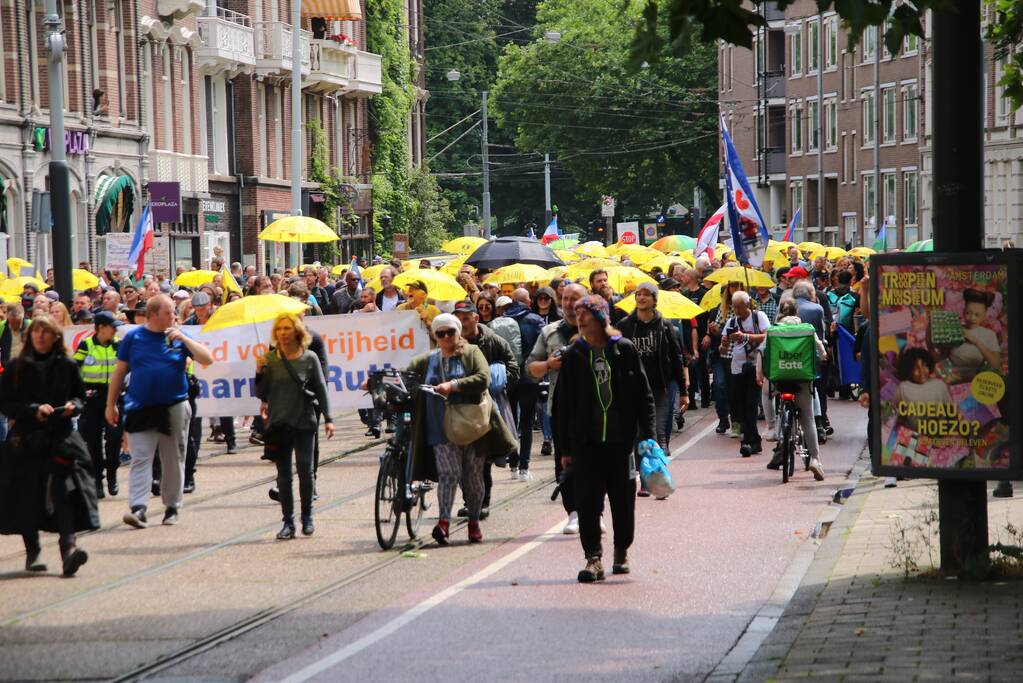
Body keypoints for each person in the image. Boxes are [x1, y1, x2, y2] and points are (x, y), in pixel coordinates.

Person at [554, 295, 655, 582]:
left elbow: (644, 395)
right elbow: (562, 406)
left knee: (623, 501)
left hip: (621, 443)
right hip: (585, 444)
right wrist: (565, 448)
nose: (580, 319)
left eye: (585, 314)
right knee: (587, 502)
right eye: (577, 314)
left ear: (601, 318)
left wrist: (648, 437)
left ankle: (621, 550)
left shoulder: (624, 349)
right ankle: (593, 558)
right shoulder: (573, 354)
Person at [404, 314, 516, 545]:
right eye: (440, 333)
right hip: (440, 428)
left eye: (450, 332)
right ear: (435, 336)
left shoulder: (472, 352)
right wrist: (374, 382)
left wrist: (454, 385)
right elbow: (405, 375)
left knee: (473, 477)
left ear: (458, 332)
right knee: (448, 474)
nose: (446, 337)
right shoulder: (429, 359)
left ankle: (473, 521)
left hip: (472, 427)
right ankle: (443, 523)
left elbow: (483, 378)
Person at [106, 295, 214, 529]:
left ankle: (172, 506)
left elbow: (207, 358)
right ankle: (138, 507)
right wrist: (110, 404)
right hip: (140, 407)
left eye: (174, 312)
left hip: (173, 406)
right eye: (169, 312)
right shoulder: (133, 337)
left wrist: (184, 339)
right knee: (140, 457)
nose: (173, 316)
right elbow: (120, 371)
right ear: (153, 315)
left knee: (172, 457)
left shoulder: (178, 337)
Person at [0, 315, 97, 576]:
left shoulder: (67, 365)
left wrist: (73, 406)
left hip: (60, 438)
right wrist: (32, 409)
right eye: (36, 331)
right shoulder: (16, 367)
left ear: (55, 336)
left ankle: (69, 550)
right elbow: (5, 402)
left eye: (46, 332)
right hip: (27, 440)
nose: (40, 336)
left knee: (63, 492)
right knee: (27, 495)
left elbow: (80, 396)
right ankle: (32, 550)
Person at [255, 313, 334, 540]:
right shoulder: (269, 359)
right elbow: (260, 392)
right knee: (283, 476)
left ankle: (307, 516)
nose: (283, 333)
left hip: (304, 420)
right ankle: (288, 522)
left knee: (305, 471)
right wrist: (259, 372)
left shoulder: (309, 358)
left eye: (287, 328)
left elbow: (321, 388)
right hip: (279, 422)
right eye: (279, 329)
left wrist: (328, 418)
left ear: (297, 331)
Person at [528, 282, 587, 534]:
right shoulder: (549, 332)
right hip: (559, 409)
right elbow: (531, 369)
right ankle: (573, 513)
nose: (569, 303)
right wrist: (549, 364)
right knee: (564, 463)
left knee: (594, 462)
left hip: (594, 409)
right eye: (565, 298)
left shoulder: (598, 330)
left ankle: (594, 511)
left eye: (575, 298)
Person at [453, 300, 518, 520]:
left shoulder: (493, 341)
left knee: (482, 460)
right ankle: (470, 501)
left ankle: (482, 503)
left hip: (486, 408)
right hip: (458, 408)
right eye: (458, 319)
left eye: (466, 318)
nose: (462, 323)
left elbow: (513, 366)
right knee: (461, 460)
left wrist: (498, 380)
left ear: (476, 318)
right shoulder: (449, 340)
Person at [617, 282, 688, 462]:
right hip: (634, 388)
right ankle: (644, 469)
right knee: (639, 434)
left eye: (646, 294)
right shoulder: (625, 325)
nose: (641, 297)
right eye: (638, 294)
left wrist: (683, 391)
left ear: (654, 300)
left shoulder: (665, 325)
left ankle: (656, 467)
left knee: (657, 430)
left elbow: (676, 358)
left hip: (659, 387)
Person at [765, 299, 826, 480]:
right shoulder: (807, 329)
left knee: (772, 399)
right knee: (808, 419)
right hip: (802, 378)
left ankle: (774, 428)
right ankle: (815, 459)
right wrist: (823, 356)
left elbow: (763, 351)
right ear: (797, 313)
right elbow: (821, 349)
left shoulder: (772, 330)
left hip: (780, 378)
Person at [74, 311, 124, 499]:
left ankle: (112, 473)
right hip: (92, 399)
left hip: (114, 397)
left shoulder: (118, 345)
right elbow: (74, 369)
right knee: (93, 442)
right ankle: (96, 480)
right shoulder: (86, 345)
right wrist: (80, 391)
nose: (115, 330)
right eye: (112, 327)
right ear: (101, 328)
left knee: (114, 439)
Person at [501, 288, 546, 481]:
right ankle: (524, 468)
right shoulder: (535, 320)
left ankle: (513, 463)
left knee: (510, 420)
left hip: (508, 376)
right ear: (528, 302)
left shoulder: (501, 320)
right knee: (527, 421)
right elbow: (541, 347)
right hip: (529, 377)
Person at [721, 290, 770, 458]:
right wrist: (724, 343)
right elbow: (723, 349)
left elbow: (768, 335)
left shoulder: (759, 316)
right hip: (738, 367)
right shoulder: (731, 321)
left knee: (751, 403)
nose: (737, 311)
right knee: (739, 404)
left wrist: (745, 337)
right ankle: (754, 440)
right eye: (734, 307)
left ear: (747, 305)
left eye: (740, 307)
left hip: (756, 366)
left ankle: (747, 442)